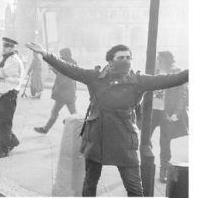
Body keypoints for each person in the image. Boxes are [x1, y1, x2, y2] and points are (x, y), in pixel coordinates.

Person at [25, 42, 189, 197]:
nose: (126, 61)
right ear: (110, 60)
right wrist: (46, 54)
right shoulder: (95, 77)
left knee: (134, 187)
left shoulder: (139, 80)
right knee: (90, 184)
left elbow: (172, 79)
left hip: (125, 138)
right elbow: (70, 69)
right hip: (97, 136)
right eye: (121, 58)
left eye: (128, 57)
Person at [151, 51, 188, 183]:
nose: (156, 60)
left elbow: (183, 96)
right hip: (154, 110)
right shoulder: (155, 70)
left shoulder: (178, 72)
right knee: (145, 138)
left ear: (162, 59)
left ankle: (163, 171)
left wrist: (175, 114)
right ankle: (145, 166)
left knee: (165, 143)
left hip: (168, 113)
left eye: (158, 59)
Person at [0, 37, 24, 158]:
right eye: (3, 46)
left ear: (12, 48)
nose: (3, 48)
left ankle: (4, 149)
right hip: (1, 94)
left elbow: (1, 73)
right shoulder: (5, 59)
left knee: (4, 123)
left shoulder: (14, 61)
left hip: (9, 95)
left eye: (6, 46)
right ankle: (12, 140)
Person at [34, 47, 78, 134]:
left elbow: (63, 76)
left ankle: (45, 129)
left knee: (55, 111)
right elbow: (62, 74)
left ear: (65, 54)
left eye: (61, 54)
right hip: (70, 92)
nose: (60, 56)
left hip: (64, 93)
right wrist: (53, 68)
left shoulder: (65, 63)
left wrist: (53, 68)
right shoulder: (73, 63)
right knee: (74, 113)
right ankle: (83, 127)